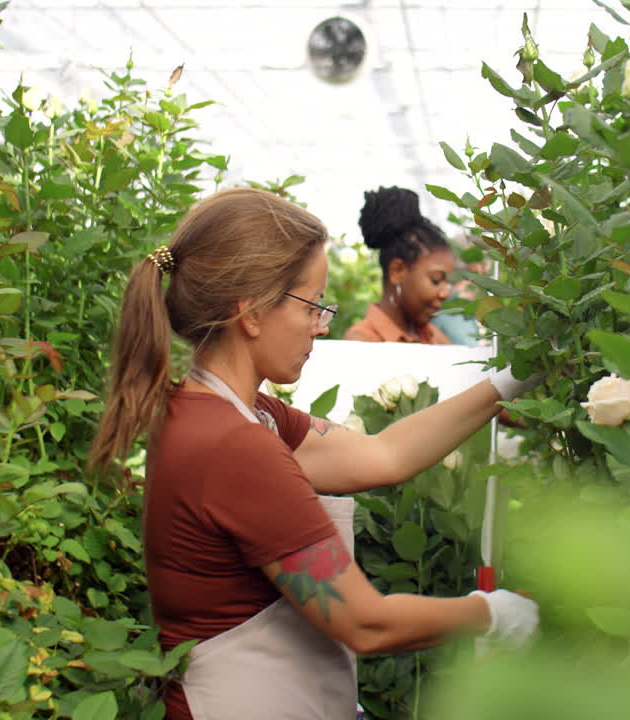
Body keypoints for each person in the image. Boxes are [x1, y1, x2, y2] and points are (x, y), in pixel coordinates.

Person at [88, 188, 541, 720]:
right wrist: (492, 613)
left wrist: (508, 383)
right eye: (311, 306)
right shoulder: (234, 446)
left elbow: (383, 454)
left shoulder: (230, 413)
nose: (322, 325)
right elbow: (364, 622)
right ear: (252, 312)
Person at [343, 186, 455, 344]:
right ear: (397, 271)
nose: (445, 293)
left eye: (447, 282)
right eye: (436, 280)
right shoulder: (362, 342)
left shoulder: (436, 339)